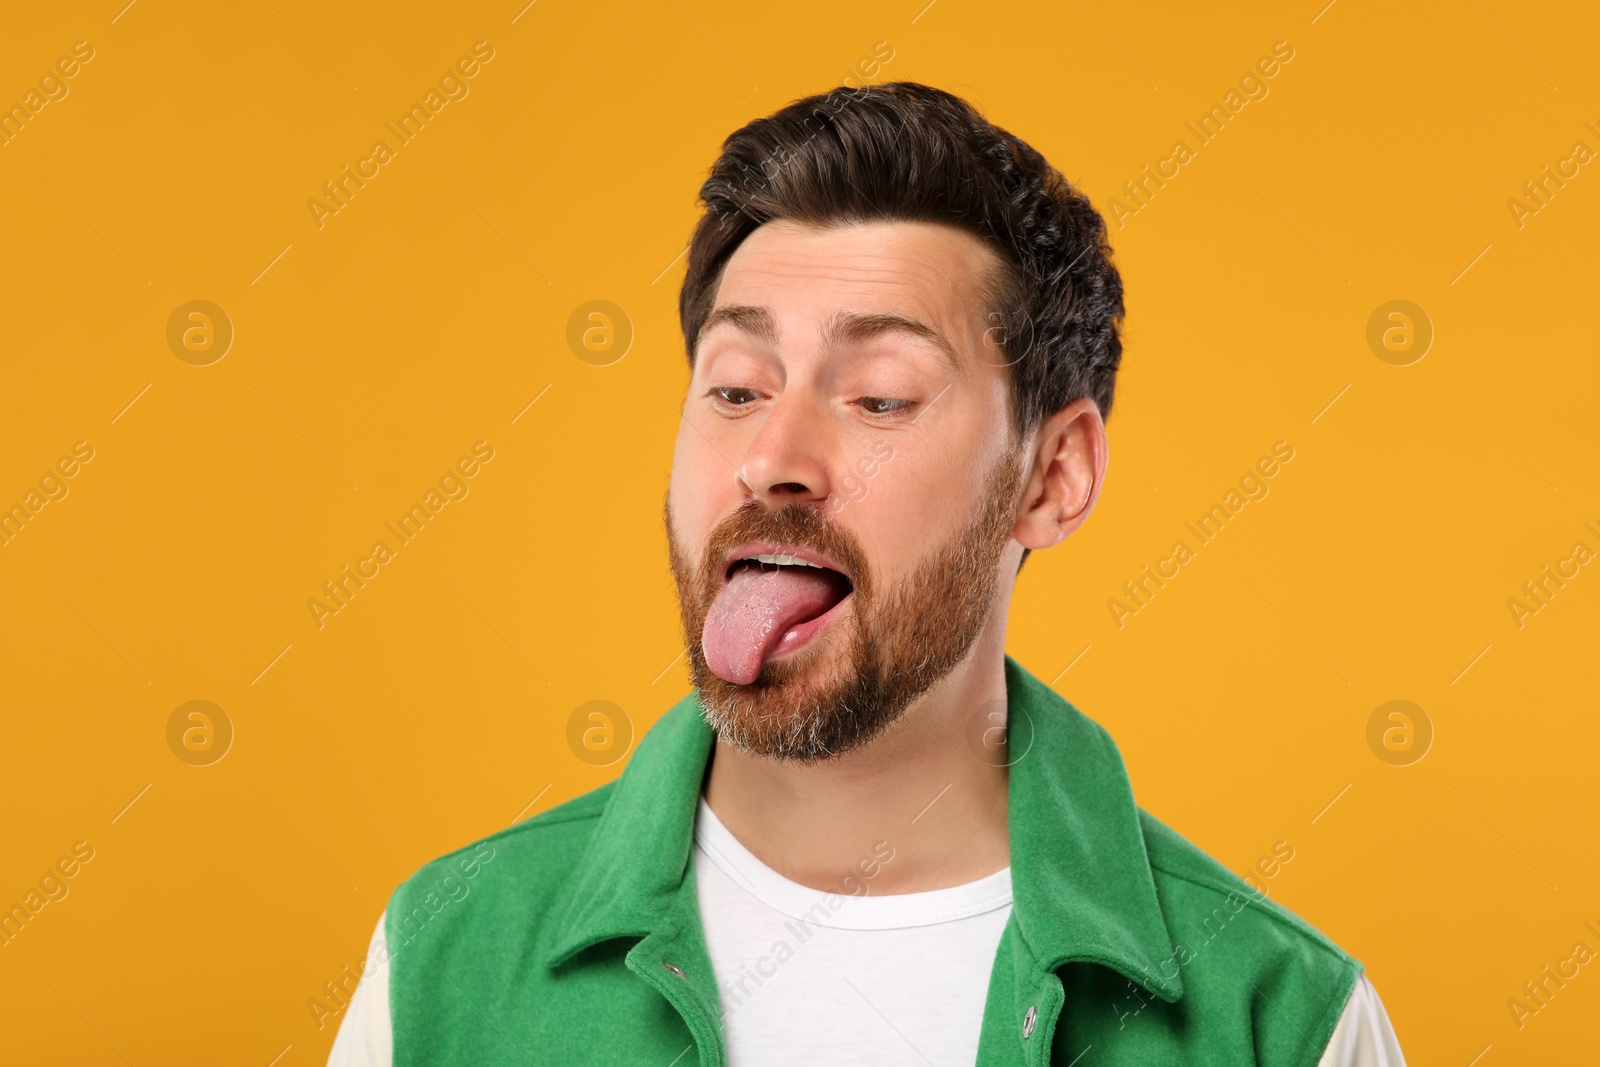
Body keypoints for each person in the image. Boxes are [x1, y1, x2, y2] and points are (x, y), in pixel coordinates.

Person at [328, 82, 1405, 1065]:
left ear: (1051, 475)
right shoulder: (442, 963)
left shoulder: (1281, 1016)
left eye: (880, 397)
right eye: (739, 386)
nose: (773, 459)